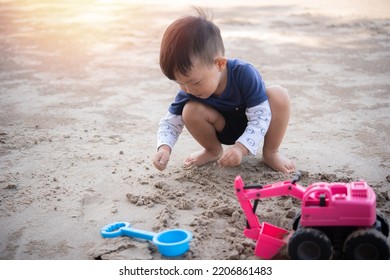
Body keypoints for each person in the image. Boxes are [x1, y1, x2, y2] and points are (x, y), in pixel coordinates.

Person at [152, 9, 295, 173]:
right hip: (222, 128)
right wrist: (164, 148)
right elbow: (170, 121)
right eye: (180, 83)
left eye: (194, 82)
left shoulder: (244, 73)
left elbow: (261, 116)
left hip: (255, 124)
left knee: (278, 94)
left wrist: (241, 148)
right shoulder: (189, 88)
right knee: (189, 110)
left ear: (219, 64)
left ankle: (271, 153)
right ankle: (213, 150)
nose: (188, 90)